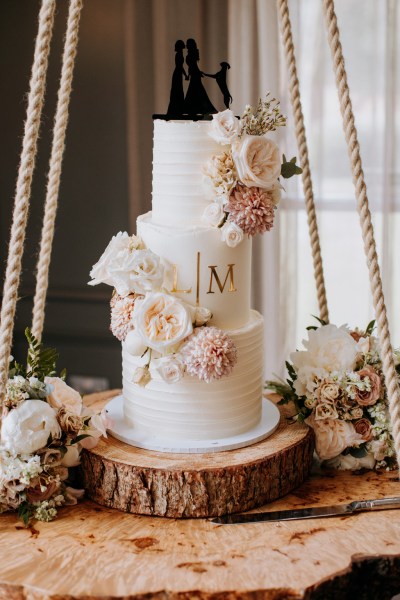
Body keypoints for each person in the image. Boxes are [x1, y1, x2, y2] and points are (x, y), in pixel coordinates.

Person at [184, 38, 216, 115]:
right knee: (196, 91)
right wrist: (189, 74)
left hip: (195, 74)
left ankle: (198, 108)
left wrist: (197, 72)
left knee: (196, 91)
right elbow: (192, 66)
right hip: (194, 74)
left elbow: (194, 66)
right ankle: (196, 108)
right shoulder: (191, 54)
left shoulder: (191, 55)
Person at [167, 40, 188, 115]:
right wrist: (185, 75)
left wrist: (184, 75)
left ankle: (178, 108)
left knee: (178, 90)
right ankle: (176, 108)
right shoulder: (179, 55)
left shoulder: (180, 54)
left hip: (178, 73)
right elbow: (180, 66)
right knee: (177, 90)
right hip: (177, 74)